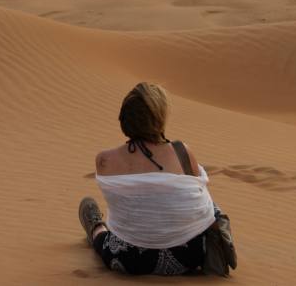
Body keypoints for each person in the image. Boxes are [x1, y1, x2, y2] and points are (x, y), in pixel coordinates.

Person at [78, 82, 216, 275]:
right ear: (159, 117)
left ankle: (96, 228)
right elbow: (199, 197)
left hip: (130, 260)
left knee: (105, 239)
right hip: (189, 258)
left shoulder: (104, 160)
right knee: (208, 204)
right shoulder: (181, 151)